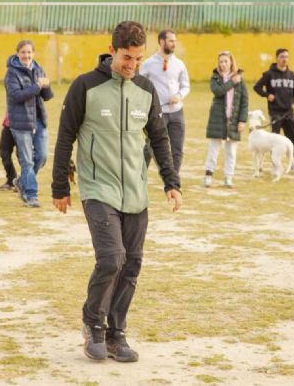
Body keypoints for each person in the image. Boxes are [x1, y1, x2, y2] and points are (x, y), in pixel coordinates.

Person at [51, 21, 181, 363]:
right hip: (97, 188)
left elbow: (158, 137)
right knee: (111, 259)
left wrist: (171, 182)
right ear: (112, 51)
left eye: (138, 59)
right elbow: (66, 136)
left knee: (132, 264)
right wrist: (59, 185)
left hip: (135, 191)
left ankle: (115, 334)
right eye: (126, 57)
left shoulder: (145, 89)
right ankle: (92, 324)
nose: (132, 65)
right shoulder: (85, 87)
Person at [5, 40, 53, 208]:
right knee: (27, 161)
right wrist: (37, 86)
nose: (26, 55)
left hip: (39, 120)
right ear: (18, 53)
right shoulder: (12, 73)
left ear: (34, 53)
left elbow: (47, 96)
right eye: (23, 52)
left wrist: (46, 86)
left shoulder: (39, 69)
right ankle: (31, 195)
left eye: (29, 52)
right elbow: (17, 96)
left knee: (42, 156)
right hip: (20, 122)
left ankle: (20, 181)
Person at [139, 29, 191, 175]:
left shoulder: (179, 64)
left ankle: (174, 179)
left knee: (177, 148)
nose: (174, 44)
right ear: (162, 42)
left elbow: (186, 86)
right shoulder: (148, 64)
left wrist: (179, 96)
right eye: (171, 41)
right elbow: (139, 84)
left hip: (177, 113)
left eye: (175, 41)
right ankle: (139, 175)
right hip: (157, 112)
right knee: (150, 146)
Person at [204, 51, 248, 188]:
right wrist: (231, 82)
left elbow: (244, 101)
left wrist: (242, 120)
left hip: (233, 121)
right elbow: (218, 91)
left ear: (231, 62)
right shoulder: (215, 77)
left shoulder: (239, 79)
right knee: (213, 150)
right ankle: (208, 176)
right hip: (217, 120)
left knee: (231, 152)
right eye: (221, 61)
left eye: (226, 61)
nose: (223, 64)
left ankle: (228, 177)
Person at [253, 48, 294, 161]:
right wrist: (266, 94)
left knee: (292, 138)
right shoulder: (269, 74)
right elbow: (257, 87)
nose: (284, 59)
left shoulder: (291, 75)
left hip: (289, 112)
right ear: (277, 58)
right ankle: (275, 163)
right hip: (275, 112)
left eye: (286, 57)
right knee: (274, 140)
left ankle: (293, 162)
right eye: (282, 57)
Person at [0, 113, 18, 192]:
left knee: (22, 156)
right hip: (8, 124)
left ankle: (24, 183)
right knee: (4, 152)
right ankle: (11, 180)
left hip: (23, 126)